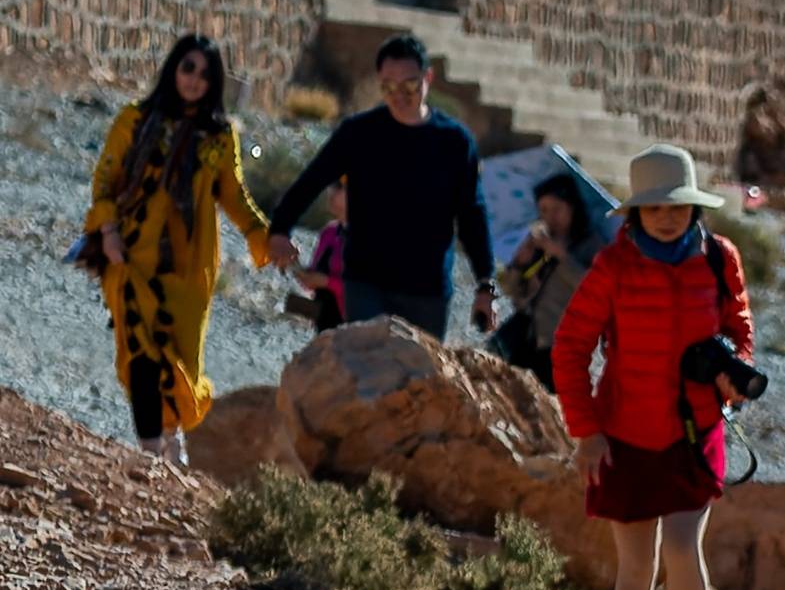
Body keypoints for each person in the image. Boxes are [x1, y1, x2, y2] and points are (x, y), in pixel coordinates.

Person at [554, 147, 756, 590]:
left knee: (682, 546)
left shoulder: (720, 259)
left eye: (678, 204)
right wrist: (587, 431)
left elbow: (739, 329)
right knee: (635, 564)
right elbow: (570, 348)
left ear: (693, 206)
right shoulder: (613, 267)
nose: (667, 215)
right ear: (637, 211)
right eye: (655, 206)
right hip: (624, 435)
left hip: (696, 431)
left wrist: (734, 370)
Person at [71, 33, 281, 462]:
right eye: (188, 68)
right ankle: (151, 451)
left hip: (189, 271)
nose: (194, 80)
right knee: (140, 351)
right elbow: (105, 182)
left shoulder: (220, 138)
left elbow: (235, 197)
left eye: (205, 75)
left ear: (214, 83)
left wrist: (265, 236)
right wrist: (108, 233)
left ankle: (171, 432)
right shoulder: (134, 119)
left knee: (180, 360)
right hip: (130, 257)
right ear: (173, 69)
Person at [264, 36, 496, 337]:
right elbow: (312, 180)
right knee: (365, 374)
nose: (399, 94)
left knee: (416, 381)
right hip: (365, 283)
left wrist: (485, 284)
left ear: (428, 78)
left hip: (427, 293)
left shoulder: (455, 142)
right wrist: (280, 229)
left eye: (410, 85)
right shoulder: (359, 133)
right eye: (388, 86)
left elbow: (472, 215)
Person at [491, 165, 617, 389]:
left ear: (572, 209)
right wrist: (519, 263)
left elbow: (594, 289)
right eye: (544, 210)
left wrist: (563, 257)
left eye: (557, 209)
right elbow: (513, 292)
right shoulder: (539, 245)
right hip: (526, 337)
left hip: (560, 343)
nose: (551, 217)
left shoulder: (591, 245)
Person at [291, 184, 348, 333]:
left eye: (338, 186)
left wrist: (326, 282)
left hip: (352, 330)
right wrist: (295, 265)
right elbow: (311, 282)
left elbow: (366, 289)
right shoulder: (328, 232)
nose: (330, 190)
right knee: (275, 307)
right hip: (323, 326)